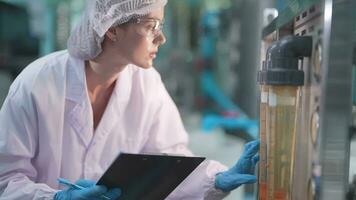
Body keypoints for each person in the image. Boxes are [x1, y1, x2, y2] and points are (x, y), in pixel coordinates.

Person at [0, 0, 259, 199]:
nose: (161, 38)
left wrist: (216, 179)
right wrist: (58, 197)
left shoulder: (147, 84)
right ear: (112, 29)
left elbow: (168, 163)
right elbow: (6, 179)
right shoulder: (37, 83)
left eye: (161, 25)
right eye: (151, 26)